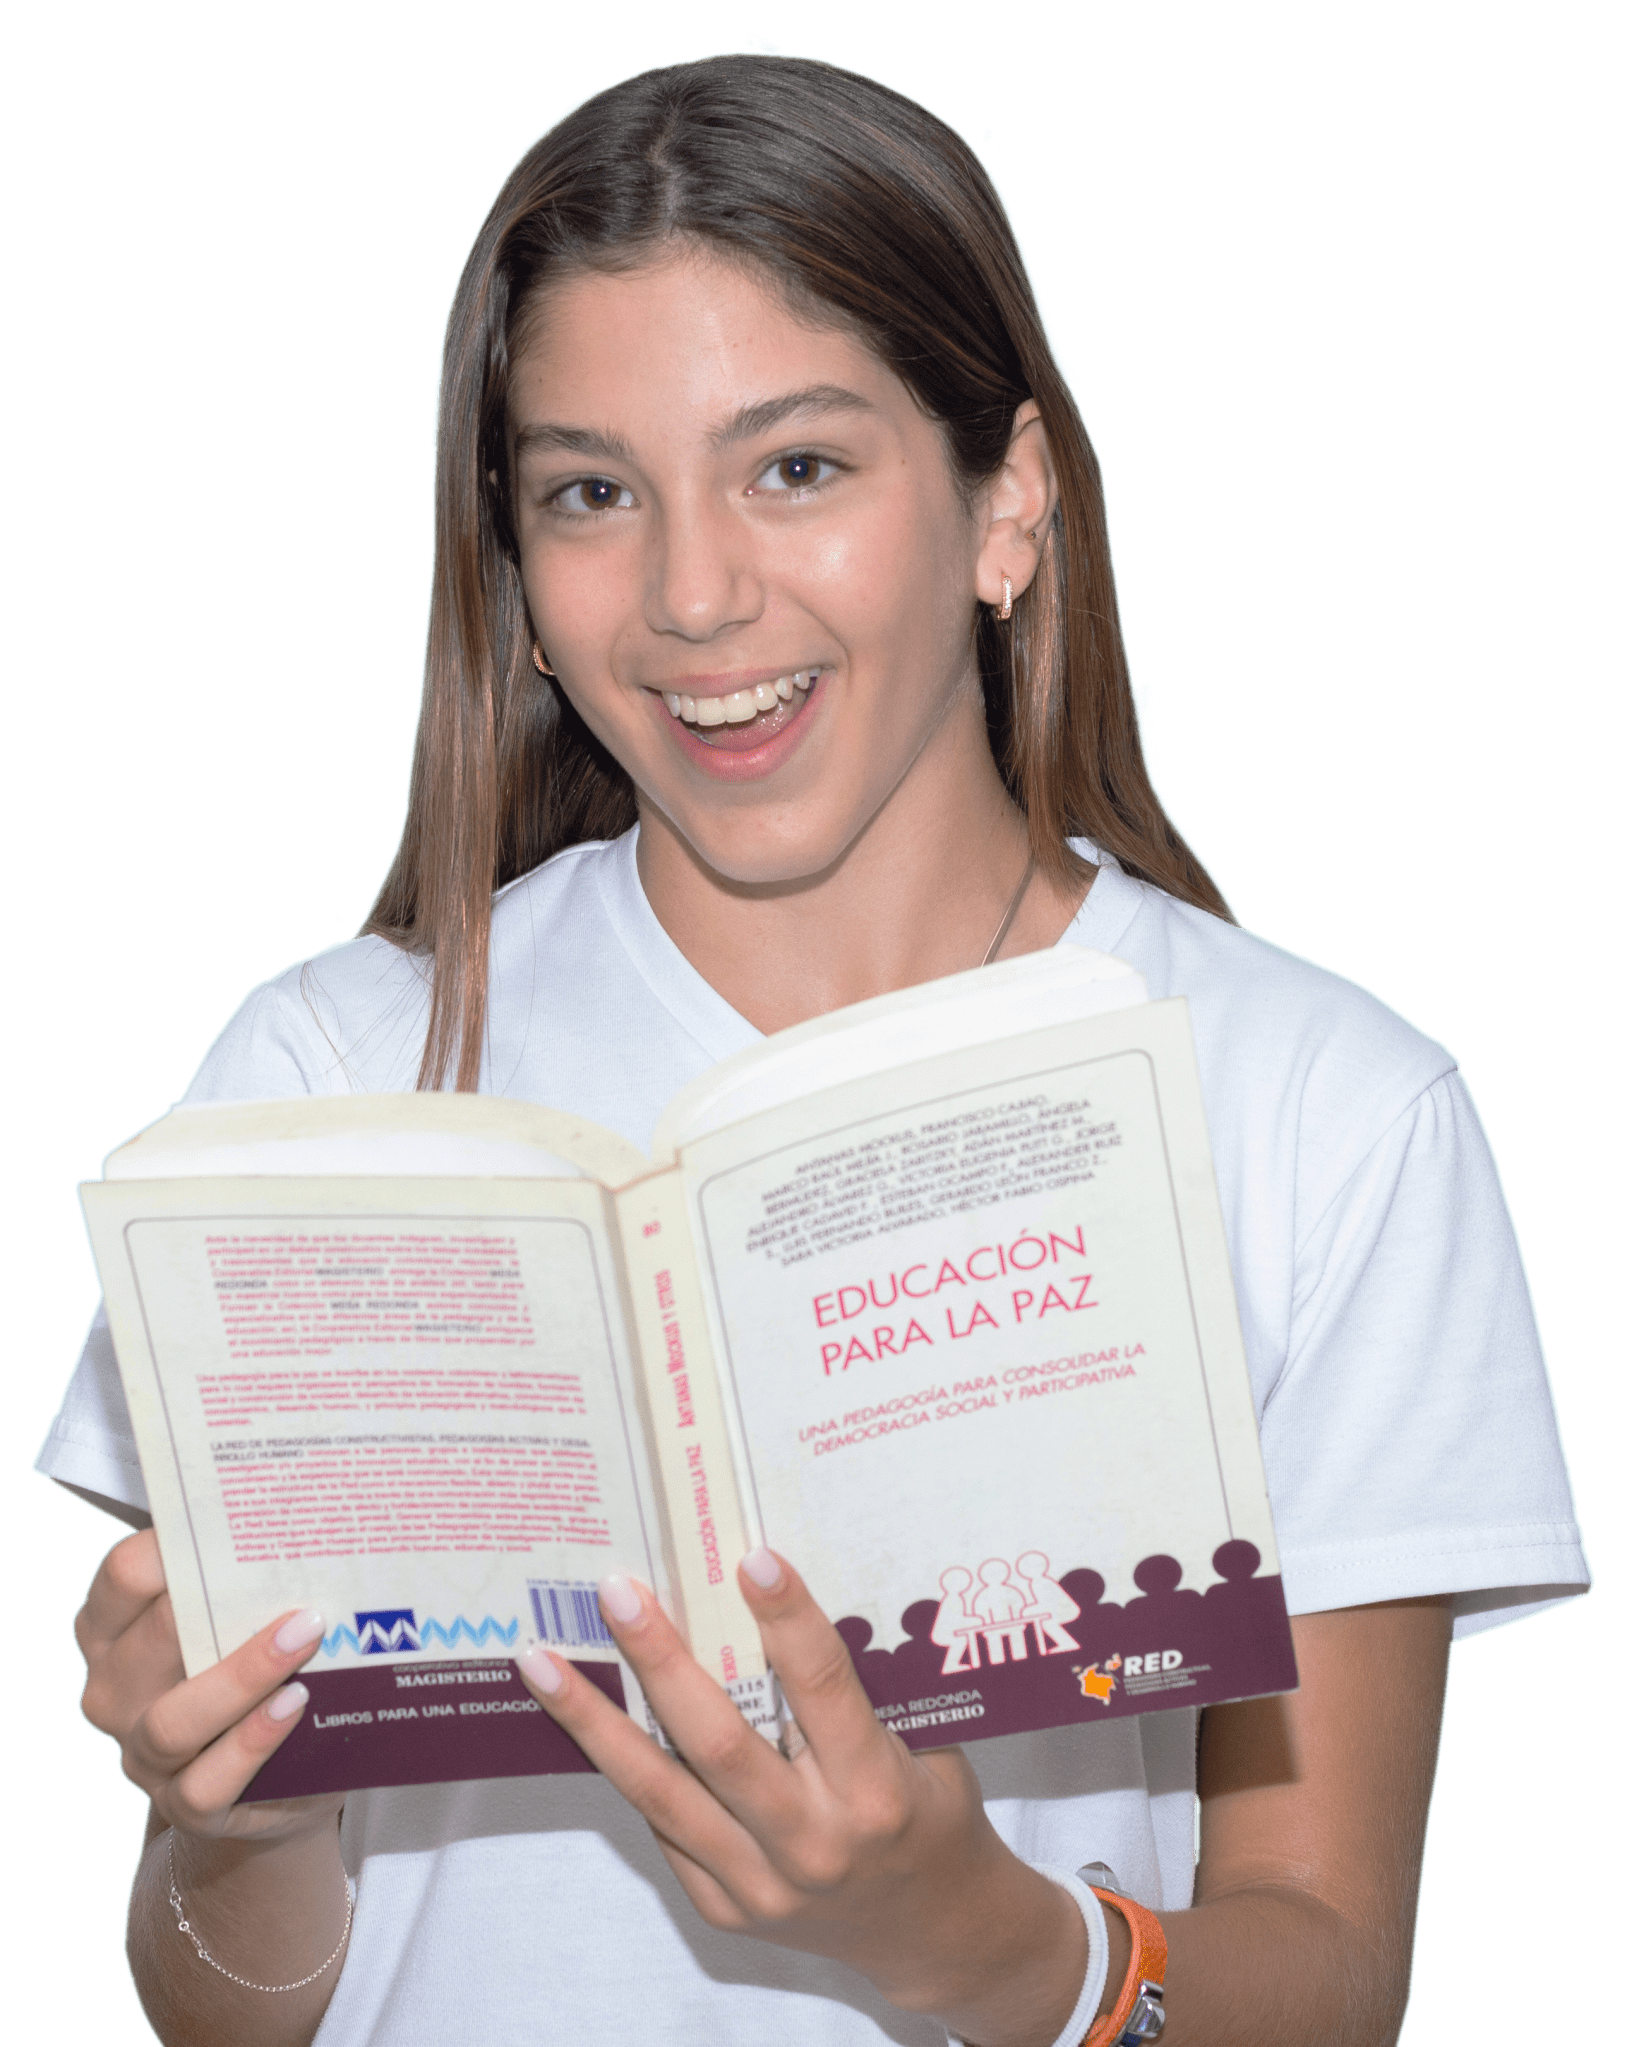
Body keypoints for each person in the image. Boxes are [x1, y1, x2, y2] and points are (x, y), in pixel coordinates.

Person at [37, 51, 1588, 2047]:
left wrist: (976, 1940)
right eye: (592, 493)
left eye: (797, 467)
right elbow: (222, 2012)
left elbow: (1330, 1972)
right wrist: (227, 1821)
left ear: (1006, 500)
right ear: (515, 576)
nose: (694, 597)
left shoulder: (1323, 1113)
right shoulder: (328, 1076)